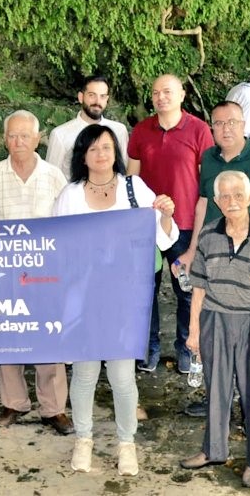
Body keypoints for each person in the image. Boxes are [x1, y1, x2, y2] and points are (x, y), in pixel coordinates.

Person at [52, 124, 177, 476]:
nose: (101, 154)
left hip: (124, 298)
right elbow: (58, 246)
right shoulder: (71, 194)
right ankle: (84, 440)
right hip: (83, 299)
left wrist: (165, 214)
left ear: (115, 152)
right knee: (85, 373)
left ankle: (126, 445)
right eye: (93, 149)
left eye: (106, 147)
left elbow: (164, 240)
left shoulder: (133, 187)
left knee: (123, 377)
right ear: (83, 155)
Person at [179, 100, 250, 416]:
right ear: (211, 127)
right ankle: (218, 398)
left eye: (232, 122)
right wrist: (193, 251)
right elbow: (202, 205)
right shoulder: (209, 159)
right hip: (214, 260)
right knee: (215, 330)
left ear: (243, 124)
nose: (226, 128)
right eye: (219, 123)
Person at [180, 171, 250, 488]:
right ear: (216, 201)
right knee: (216, 388)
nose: (232, 201)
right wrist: (194, 330)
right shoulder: (209, 235)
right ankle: (213, 450)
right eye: (224, 196)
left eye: (238, 194)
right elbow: (198, 287)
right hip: (215, 319)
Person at [0, 110, 73, 436]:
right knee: (8, 333)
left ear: (37, 138)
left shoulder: (54, 176)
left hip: (45, 271)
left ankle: (54, 408)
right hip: (3, 271)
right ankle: (13, 402)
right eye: (12, 135)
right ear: (4, 139)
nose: (18, 141)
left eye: (25, 135)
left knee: (48, 334)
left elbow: (66, 225)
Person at [127, 74, 214, 374]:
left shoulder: (199, 130)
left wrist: (200, 234)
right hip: (147, 226)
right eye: (155, 92)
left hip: (185, 225)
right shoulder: (141, 130)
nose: (160, 97)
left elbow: (206, 184)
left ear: (182, 94)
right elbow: (131, 179)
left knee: (186, 290)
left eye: (167, 92)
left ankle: (186, 349)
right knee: (143, 290)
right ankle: (147, 349)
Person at [45, 75, 129, 180]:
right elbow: (50, 177)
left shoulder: (119, 131)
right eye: (92, 95)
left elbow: (124, 171)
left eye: (102, 96)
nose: (97, 102)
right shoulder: (60, 134)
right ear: (81, 97)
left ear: (107, 99)